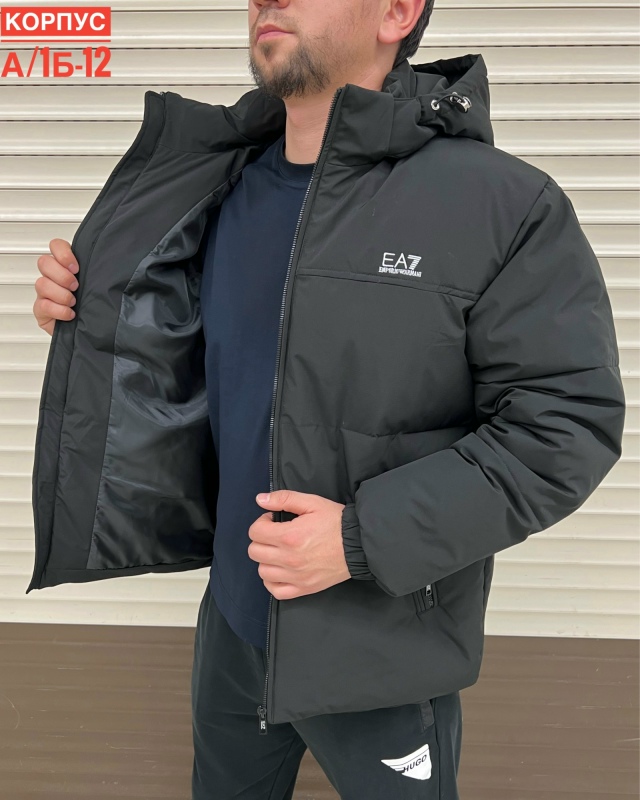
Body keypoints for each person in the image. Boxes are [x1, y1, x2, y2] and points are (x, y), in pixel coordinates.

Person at [30, 0, 626, 797]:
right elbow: (212, 366)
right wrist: (95, 318)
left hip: (381, 649)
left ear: (396, 12)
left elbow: (565, 428)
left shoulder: (503, 207)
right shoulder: (213, 185)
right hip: (232, 627)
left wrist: (358, 539)